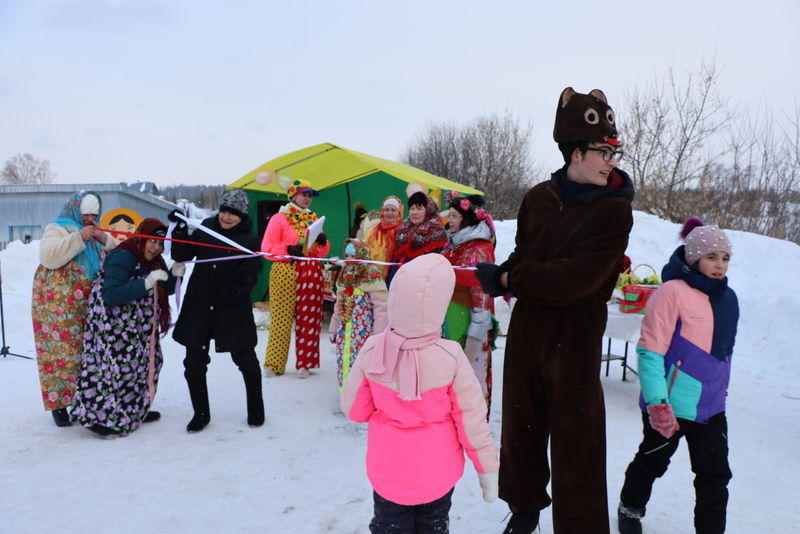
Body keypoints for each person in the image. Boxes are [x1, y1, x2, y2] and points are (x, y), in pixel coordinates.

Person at [475, 87, 635, 533]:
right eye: (604, 152)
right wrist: (501, 270)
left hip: (576, 333)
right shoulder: (537, 198)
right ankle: (524, 510)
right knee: (521, 424)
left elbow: (577, 278)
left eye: (614, 151)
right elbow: (526, 254)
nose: (611, 161)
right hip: (528, 328)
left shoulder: (614, 211)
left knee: (577, 440)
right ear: (576, 152)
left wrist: (510, 281)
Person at [340, 254, 499, 533]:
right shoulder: (451, 356)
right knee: (432, 526)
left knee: (390, 527)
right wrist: (487, 470)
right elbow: (472, 421)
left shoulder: (374, 349)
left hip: (388, 472)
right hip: (438, 473)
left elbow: (355, 411)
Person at [617, 217, 738, 534]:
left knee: (715, 475)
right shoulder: (671, 292)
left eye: (725, 258)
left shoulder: (729, 300)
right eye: (712, 257)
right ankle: (630, 507)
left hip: (711, 408)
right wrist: (658, 404)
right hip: (669, 404)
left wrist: (721, 391)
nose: (719, 265)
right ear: (694, 257)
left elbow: (724, 354)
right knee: (652, 461)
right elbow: (650, 351)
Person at [70, 218, 178, 438]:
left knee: (144, 366)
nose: (156, 248)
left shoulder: (155, 259)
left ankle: (134, 409)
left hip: (139, 329)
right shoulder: (123, 256)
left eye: (160, 244)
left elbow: (165, 287)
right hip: (113, 328)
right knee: (115, 371)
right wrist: (145, 283)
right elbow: (111, 295)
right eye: (152, 241)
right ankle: (98, 419)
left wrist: (175, 275)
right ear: (142, 237)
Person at [170, 188, 265, 432]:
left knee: (247, 361)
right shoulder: (205, 227)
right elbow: (181, 253)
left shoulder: (250, 240)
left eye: (233, 213)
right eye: (224, 210)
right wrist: (180, 229)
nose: (226, 217)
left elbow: (252, 274)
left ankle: (256, 409)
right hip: (199, 306)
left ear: (242, 216)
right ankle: (201, 413)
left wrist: (241, 280)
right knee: (194, 363)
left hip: (231, 309)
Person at [32, 190, 118, 427]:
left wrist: (104, 239)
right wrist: (78, 238)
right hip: (59, 305)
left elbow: (119, 252)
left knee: (88, 351)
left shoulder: (97, 230)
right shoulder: (57, 228)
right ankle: (59, 403)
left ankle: (86, 399)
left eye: (94, 215)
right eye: (86, 214)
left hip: (89, 300)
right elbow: (48, 257)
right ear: (76, 210)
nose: (90, 219)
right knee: (60, 352)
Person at [261, 178, 330, 378]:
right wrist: (288, 249)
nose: (308, 199)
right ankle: (274, 363)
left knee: (309, 320)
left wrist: (323, 243)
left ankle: (304, 364)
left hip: (310, 273)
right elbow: (266, 249)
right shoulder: (279, 219)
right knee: (281, 319)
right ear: (293, 196)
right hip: (285, 272)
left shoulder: (313, 219)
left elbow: (321, 252)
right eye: (304, 194)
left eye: (310, 195)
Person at [442, 192, 497, 414]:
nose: (450, 221)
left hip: (471, 325)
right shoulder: (454, 244)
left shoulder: (479, 248)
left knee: (471, 376)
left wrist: (474, 339)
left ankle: (472, 420)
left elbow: (483, 295)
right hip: (453, 319)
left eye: (454, 216)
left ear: (466, 218)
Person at [329, 239, 388, 391]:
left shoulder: (371, 273)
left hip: (364, 331)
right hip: (344, 328)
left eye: (352, 255)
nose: (348, 259)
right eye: (347, 255)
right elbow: (339, 303)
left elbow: (381, 307)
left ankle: (361, 395)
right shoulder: (345, 273)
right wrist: (334, 328)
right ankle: (346, 392)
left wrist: (378, 334)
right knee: (344, 358)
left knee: (362, 360)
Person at [388, 188, 447, 285]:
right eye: (412, 208)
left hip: (424, 283)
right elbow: (396, 260)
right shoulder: (403, 228)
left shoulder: (436, 230)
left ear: (428, 210)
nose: (414, 212)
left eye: (419, 208)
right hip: (401, 280)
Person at [363, 195, 404, 279]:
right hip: (374, 278)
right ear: (382, 211)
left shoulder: (403, 231)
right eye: (387, 210)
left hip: (396, 276)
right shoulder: (372, 232)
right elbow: (364, 253)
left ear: (399, 212)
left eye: (393, 210)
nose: (389, 213)